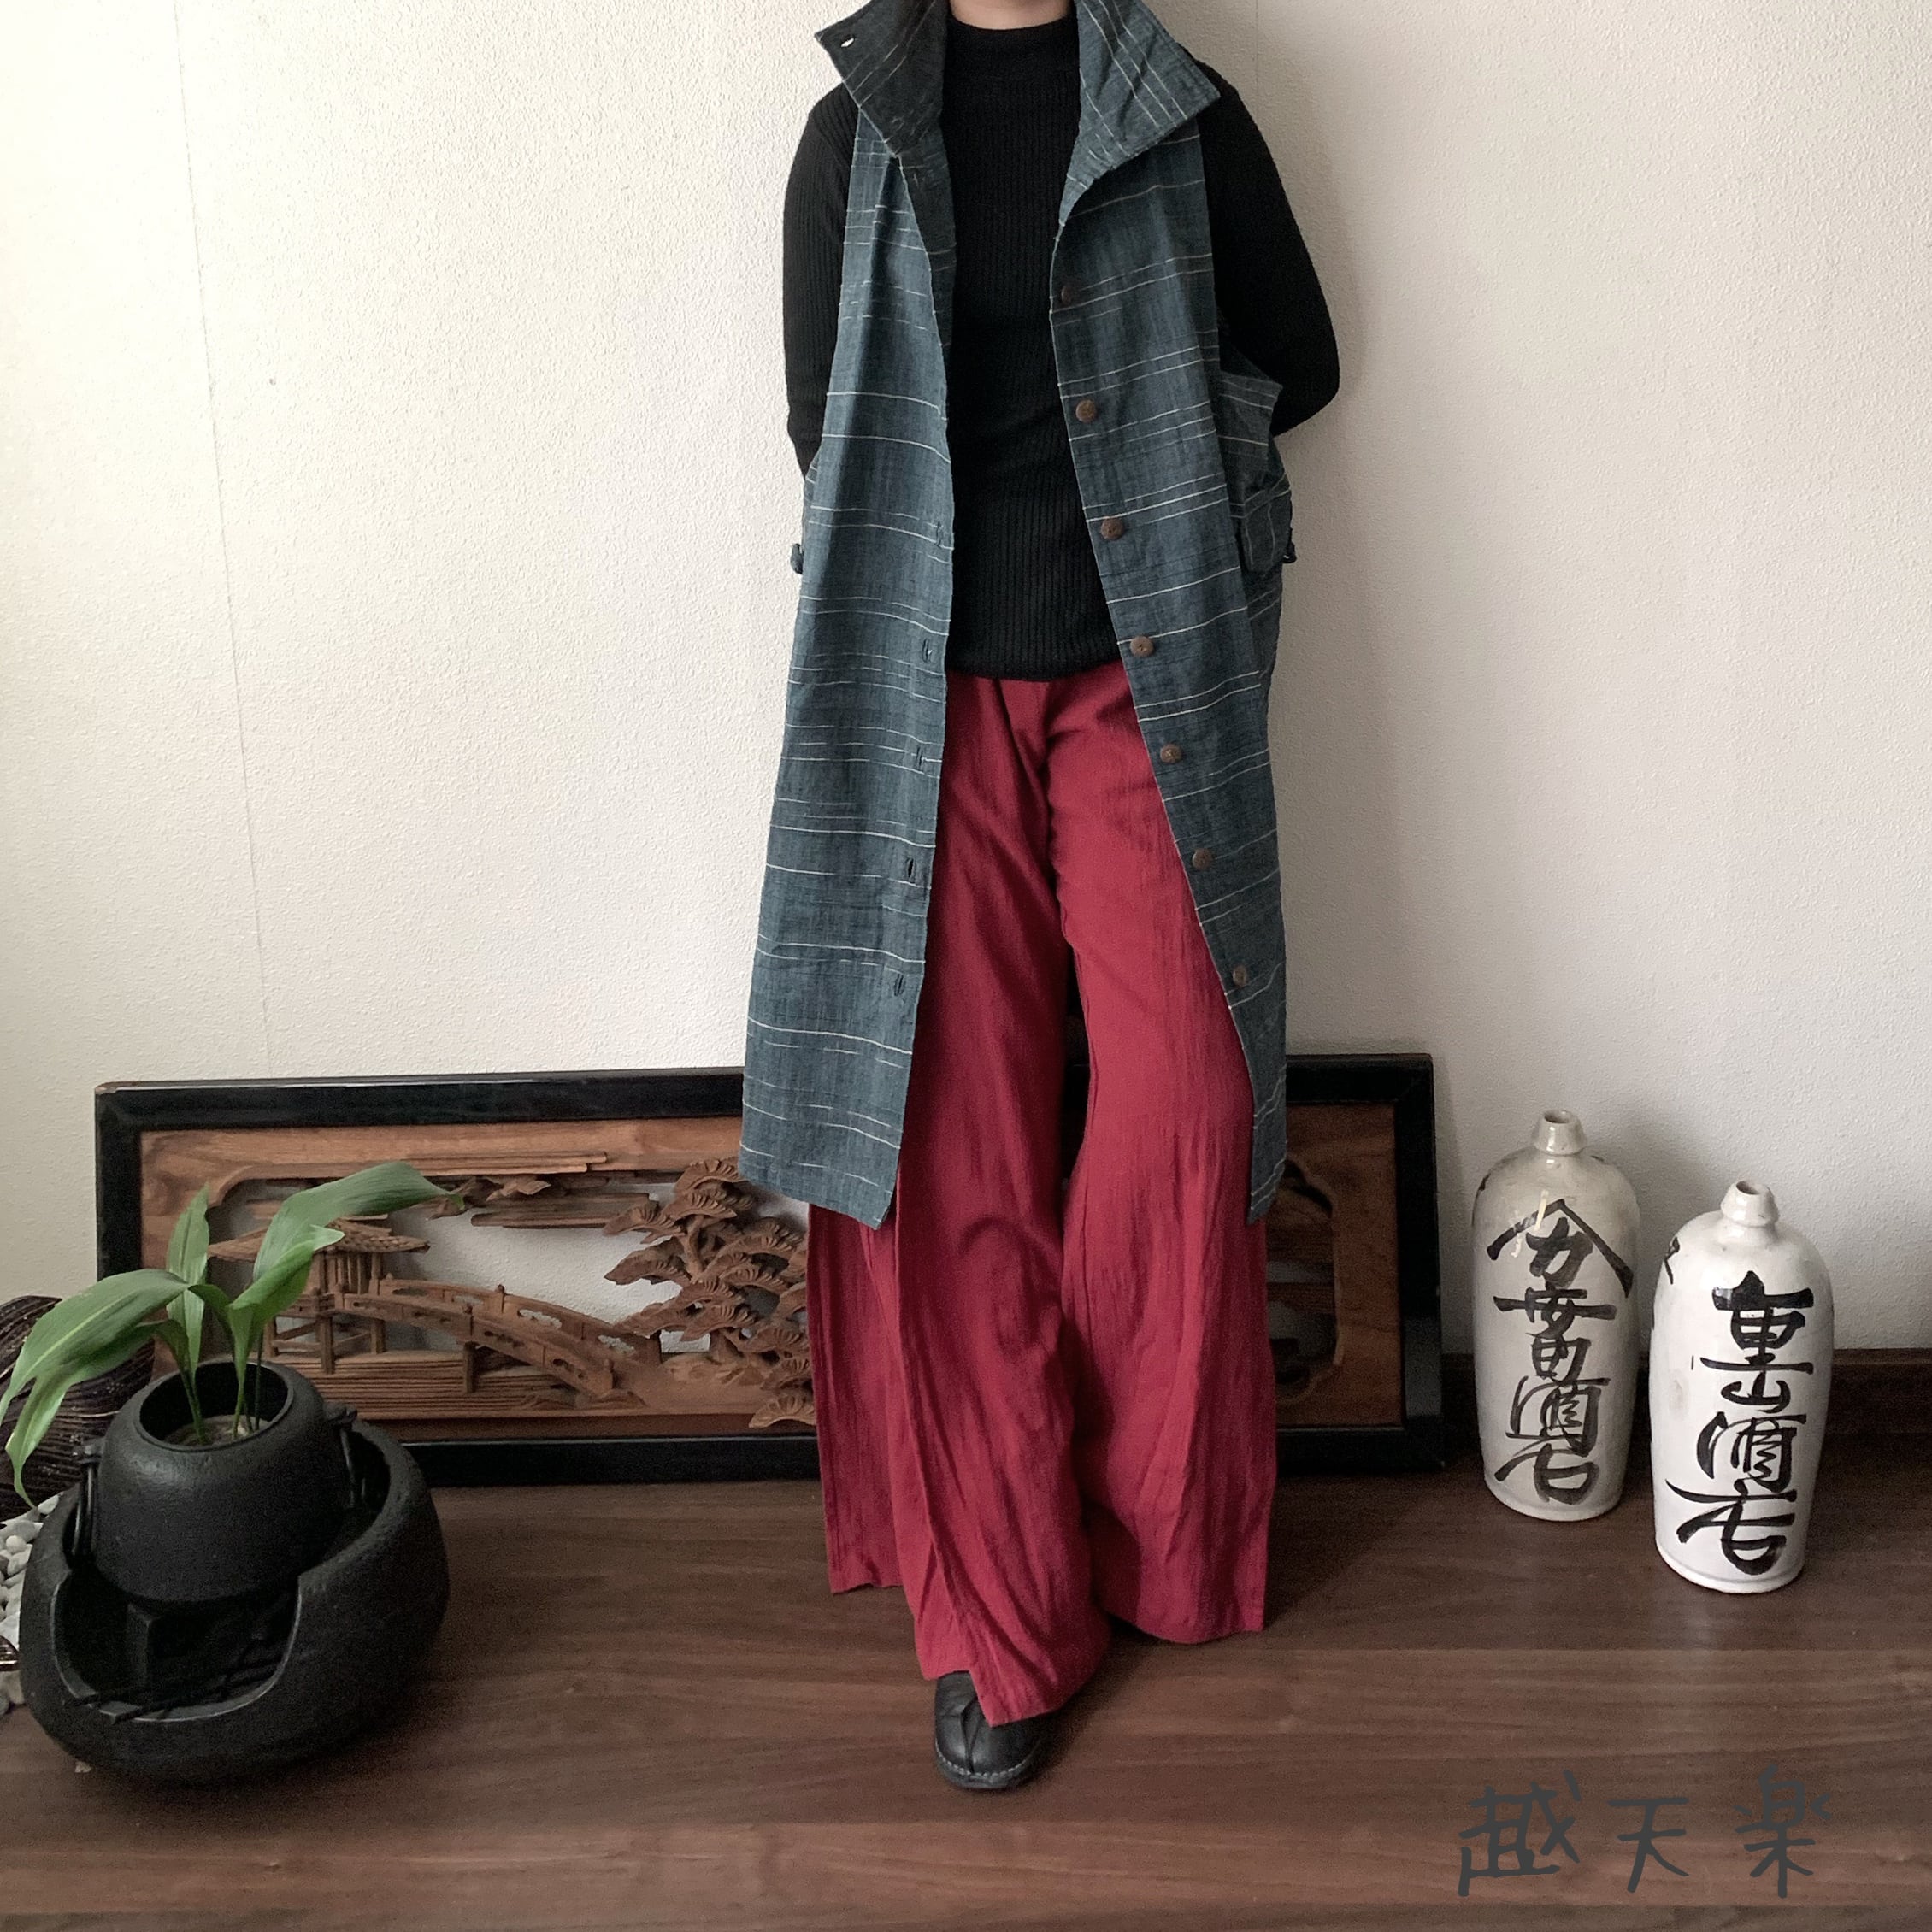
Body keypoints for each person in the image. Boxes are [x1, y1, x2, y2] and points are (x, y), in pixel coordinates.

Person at [751, 0, 1340, 1791]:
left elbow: (1301, 358)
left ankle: (1150, 1534)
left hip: (1142, 675)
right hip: (923, 690)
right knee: (951, 1146)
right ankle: (1001, 1616)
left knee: (1187, 1100)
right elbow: (822, 424)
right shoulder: (854, 135)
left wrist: (1165, 457)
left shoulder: (1179, 115)